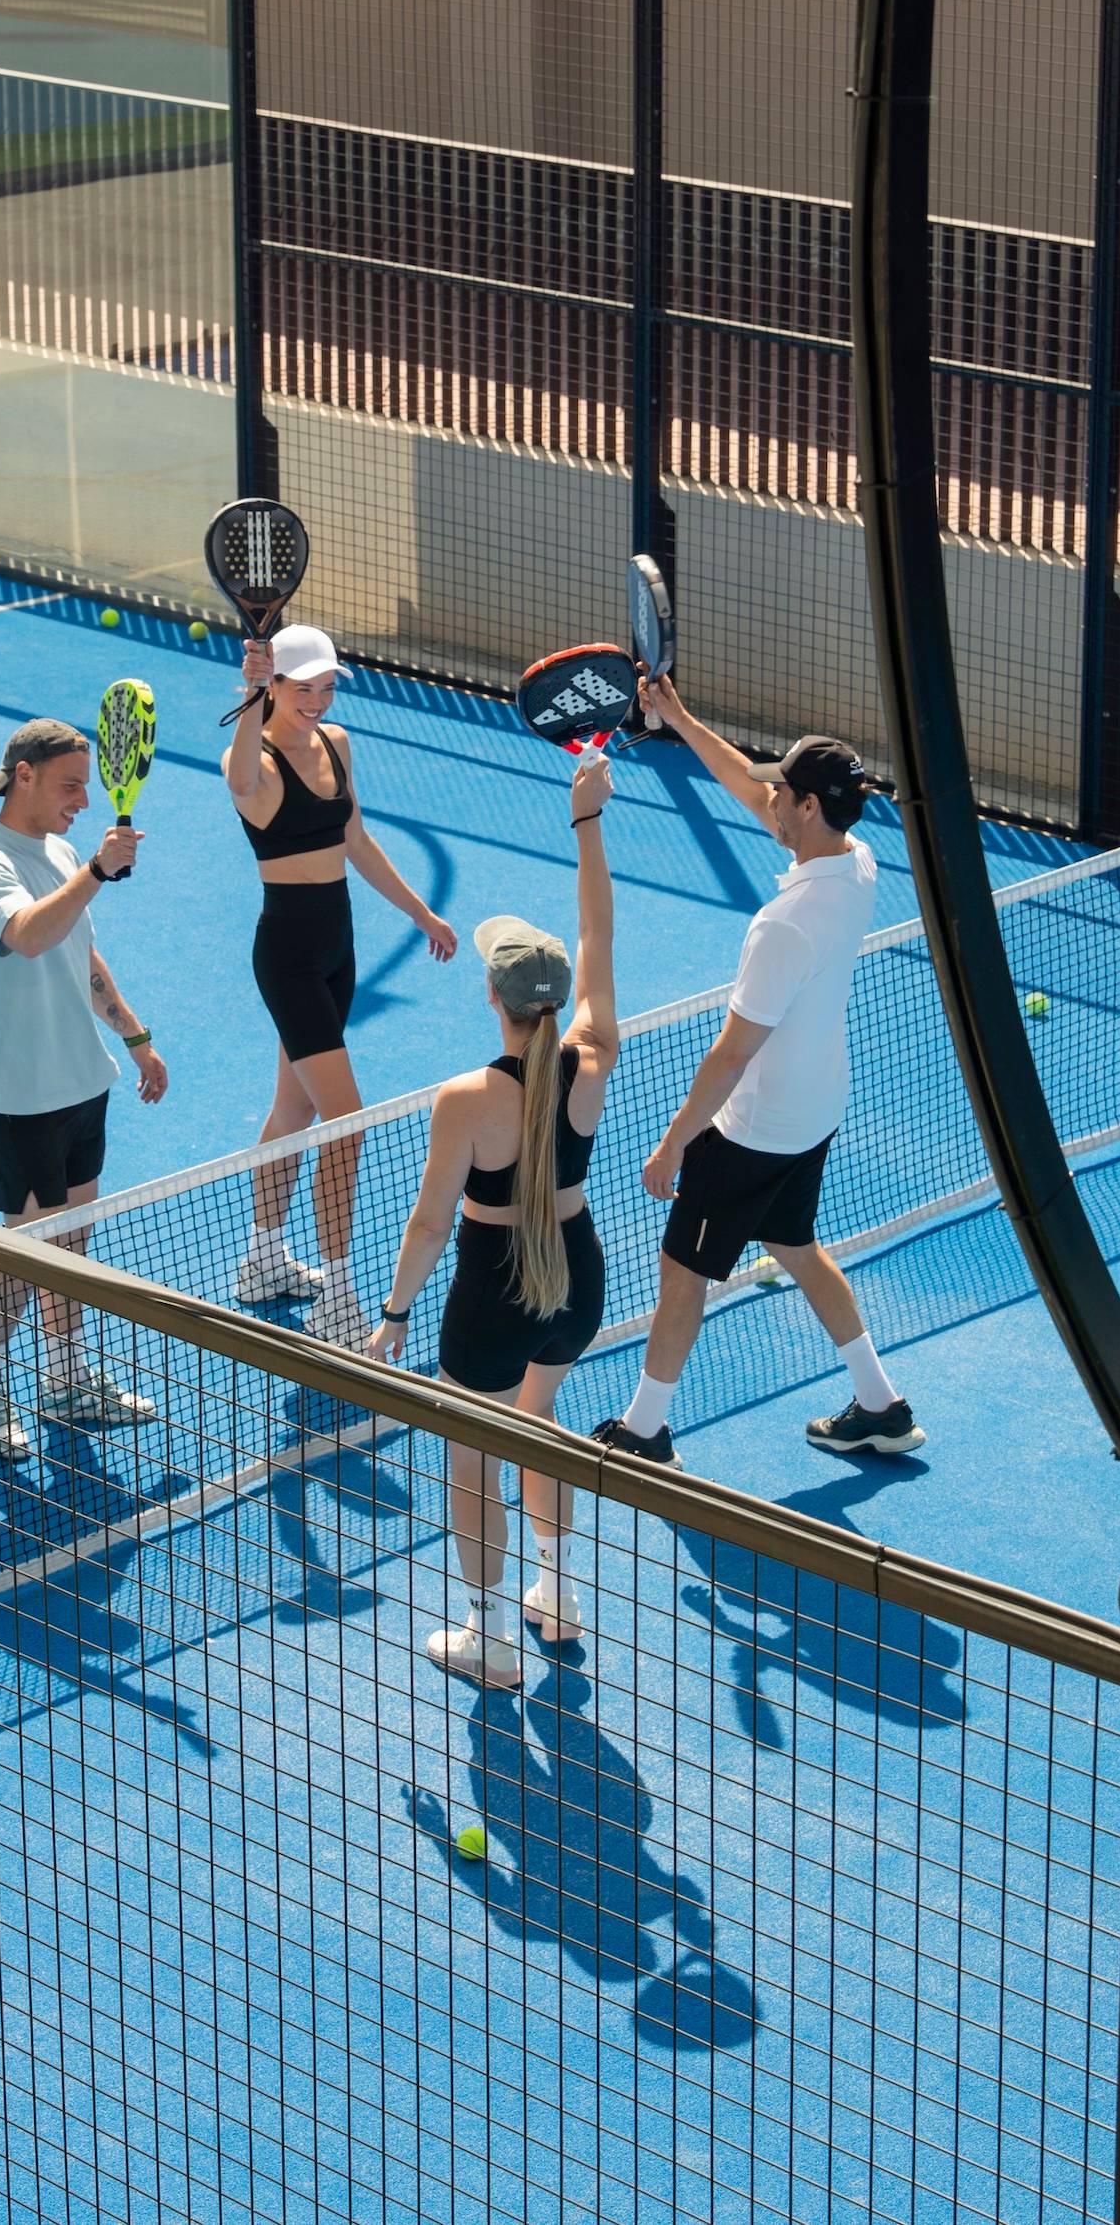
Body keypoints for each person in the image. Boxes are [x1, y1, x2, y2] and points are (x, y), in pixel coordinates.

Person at [597, 679, 922, 1465]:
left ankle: (645, 1430)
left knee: (684, 1271)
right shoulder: (859, 861)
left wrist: (675, 1143)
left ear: (807, 806)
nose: (768, 796)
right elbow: (750, 783)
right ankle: (881, 1403)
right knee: (797, 1245)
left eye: (783, 792)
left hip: (758, 1128)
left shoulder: (782, 927)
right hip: (816, 1111)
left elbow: (731, 1052)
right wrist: (676, 718)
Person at [376, 749, 622, 1691]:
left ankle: (489, 1636)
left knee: (472, 1454)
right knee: (540, 1417)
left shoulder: (464, 1098)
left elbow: (432, 1224)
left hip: (491, 1290)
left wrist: (395, 1315)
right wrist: (587, 822)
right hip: (578, 1275)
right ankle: (554, 1593)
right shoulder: (591, 1061)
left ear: (495, 997)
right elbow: (598, 939)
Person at [0, 715, 170, 1462]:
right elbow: (31, 934)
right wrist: (97, 871)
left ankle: (66, 1376)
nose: (81, 800)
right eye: (71, 785)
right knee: (23, 1248)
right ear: (24, 775)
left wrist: (134, 1036)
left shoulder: (63, 850)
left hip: (81, 1078)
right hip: (18, 1092)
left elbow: (82, 953)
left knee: (70, 1240)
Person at [226, 620, 457, 1347]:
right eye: (305, 688)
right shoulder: (253, 760)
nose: (319, 700)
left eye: (327, 686)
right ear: (275, 685)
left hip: (338, 948)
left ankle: (262, 1259)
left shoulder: (337, 743)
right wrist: (252, 698)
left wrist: (422, 912)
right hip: (288, 955)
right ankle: (339, 1292)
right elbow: (239, 780)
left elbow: (355, 839)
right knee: (347, 1126)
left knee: (293, 1110)